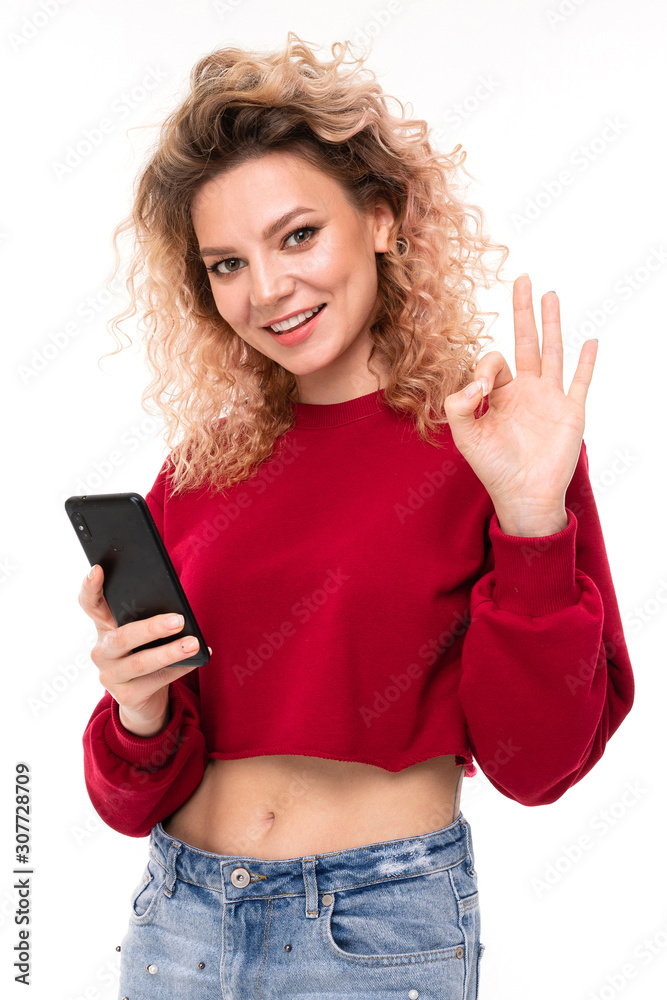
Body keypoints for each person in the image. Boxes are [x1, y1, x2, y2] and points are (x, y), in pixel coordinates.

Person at [78, 33, 635, 999]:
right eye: (227, 263)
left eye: (297, 236)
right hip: (179, 923)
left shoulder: (491, 441)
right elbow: (130, 802)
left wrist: (531, 518)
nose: (267, 290)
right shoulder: (204, 465)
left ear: (380, 218)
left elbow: (536, 767)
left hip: (375, 934)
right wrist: (138, 706)